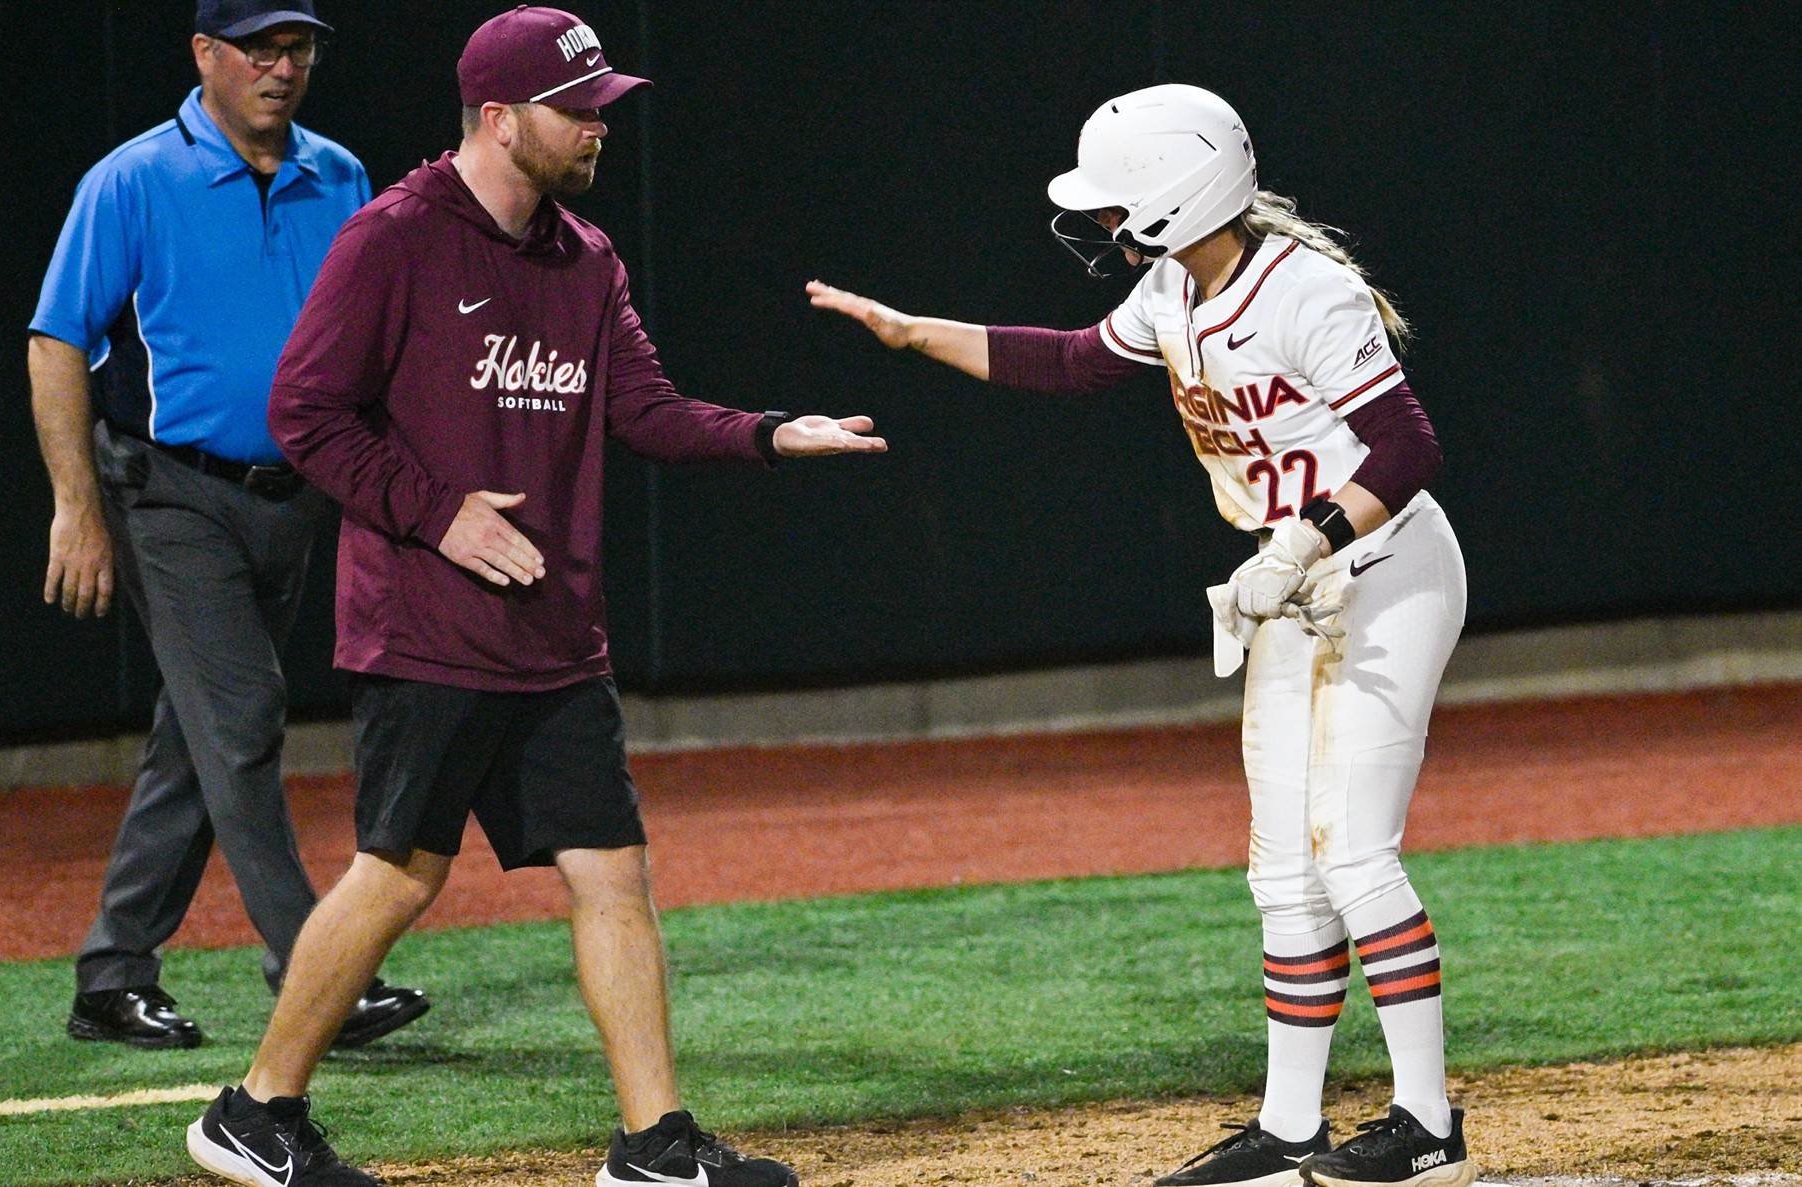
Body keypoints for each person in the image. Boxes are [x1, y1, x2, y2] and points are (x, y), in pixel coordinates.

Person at [182, 7, 886, 1186]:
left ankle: (654, 1144)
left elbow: (645, 410)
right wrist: (438, 511)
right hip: (430, 626)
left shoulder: (586, 258)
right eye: (581, 108)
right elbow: (305, 410)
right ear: (503, 120)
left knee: (611, 868)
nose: (601, 126)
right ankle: (255, 1110)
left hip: (554, 635)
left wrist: (769, 433)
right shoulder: (395, 237)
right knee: (399, 871)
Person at [810, 84, 1475, 1187]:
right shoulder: (1176, 286)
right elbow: (1072, 361)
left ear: (1181, 193)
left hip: (1385, 568)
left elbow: (1408, 450)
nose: (1105, 222)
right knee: (1283, 873)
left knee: (1353, 851)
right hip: (1288, 585)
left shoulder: (1306, 289)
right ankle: (1290, 1127)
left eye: (1119, 202)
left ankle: (1428, 1121)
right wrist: (912, 331)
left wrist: (1301, 542)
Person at [28, 0, 427, 1051]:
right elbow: (56, 342)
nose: (282, 67)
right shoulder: (131, 180)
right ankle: (318, 967)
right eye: (259, 47)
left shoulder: (339, 175)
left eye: (299, 47)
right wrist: (76, 507)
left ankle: (113, 972)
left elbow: (375, 341)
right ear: (205, 54)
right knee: (242, 714)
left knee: (198, 735)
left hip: (296, 496)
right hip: (169, 493)